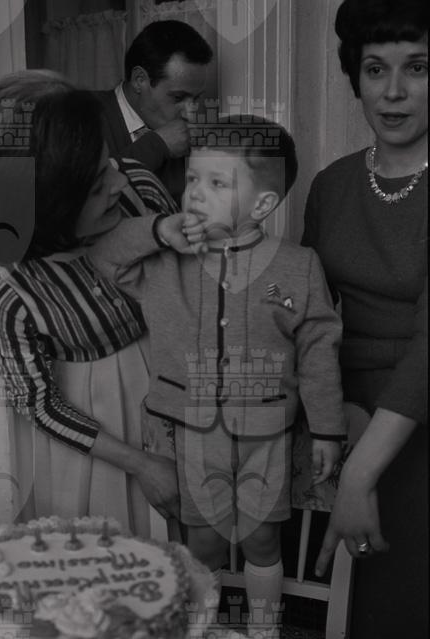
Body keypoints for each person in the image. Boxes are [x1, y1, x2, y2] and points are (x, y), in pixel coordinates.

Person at [90, 117, 346, 639]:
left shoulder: (299, 266)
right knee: (202, 543)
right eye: (192, 179)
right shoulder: (163, 263)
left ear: (262, 205)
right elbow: (102, 255)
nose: (196, 194)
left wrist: (327, 429)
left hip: (266, 433)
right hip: (191, 431)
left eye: (217, 183)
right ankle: (201, 627)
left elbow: (319, 350)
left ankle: (263, 629)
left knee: (261, 541)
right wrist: (159, 229)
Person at [0, 70, 182, 538]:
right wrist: (142, 465)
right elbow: (41, 405)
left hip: (176, 394)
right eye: (95, 185)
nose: (118, 181)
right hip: (98, 447)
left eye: (108, 162)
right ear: (47, 210)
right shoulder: (7, 290)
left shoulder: (138, 190)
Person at [305, 1, 428, 636]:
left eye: (418, 67)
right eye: (376, 68)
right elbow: (309, 320)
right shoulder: (331, 185)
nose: (394, 91)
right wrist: (331, 423)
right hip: (343, 420)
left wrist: (361, 470)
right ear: (355, 77)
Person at [94, 20, 213, 206]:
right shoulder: (81, 115)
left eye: (196, 98)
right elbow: (81, 193)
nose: (190, 114)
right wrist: (156, 146)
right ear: (139, 80)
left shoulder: (185, 138)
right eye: (178, 97)